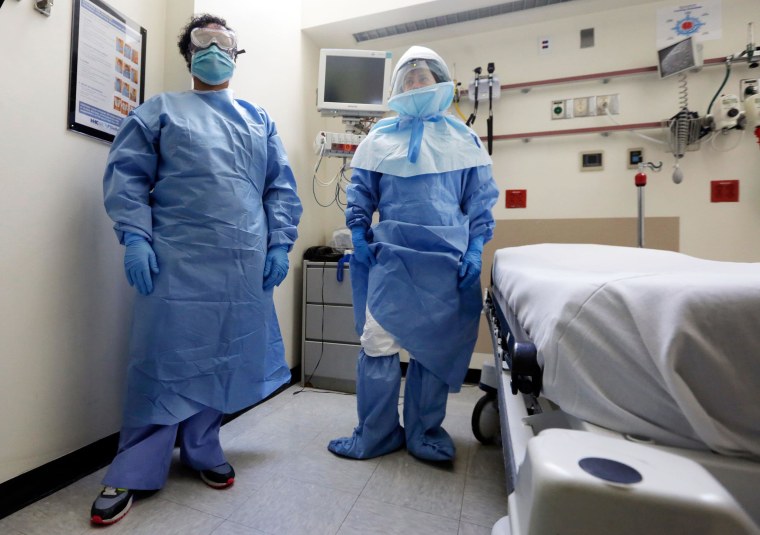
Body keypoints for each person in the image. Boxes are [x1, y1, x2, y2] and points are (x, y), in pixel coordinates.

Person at [91, 14, 302, 525]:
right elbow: (128, 176)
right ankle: (136, 464)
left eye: (223, 42)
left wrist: (279, 245)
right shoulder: (159, 111)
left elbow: (280, 188)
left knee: (223, 352)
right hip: (176, 258)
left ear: (235, 53)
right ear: (188, 54)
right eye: (202, 42)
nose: (213, 49)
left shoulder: (258, 118)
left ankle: (204, 446)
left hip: (241, 258)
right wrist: (136, 237)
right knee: (162, 355)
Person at [328, 46, 498, 462]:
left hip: (445, 261)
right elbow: (361, 193)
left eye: (424, 77)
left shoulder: (465, 140)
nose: (416, 84)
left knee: (432, 349)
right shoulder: (378, 139)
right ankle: (377, 432)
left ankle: (424, 431)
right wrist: (358, 232)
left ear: (440, 84)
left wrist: (476, 247)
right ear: (397, 88)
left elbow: (479, 202)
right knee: (378, 343)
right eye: (409, 79)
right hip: (392, 259)